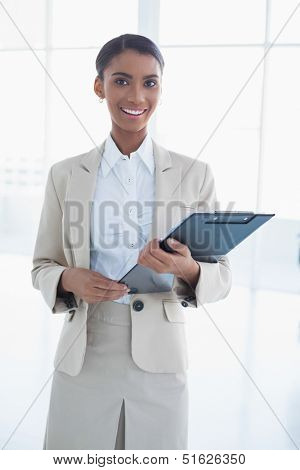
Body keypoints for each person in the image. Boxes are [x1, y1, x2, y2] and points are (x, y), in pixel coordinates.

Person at [31, 33, 232, 450]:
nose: (137, 95)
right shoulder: (65, 175)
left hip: (160, 358)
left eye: (150, 82)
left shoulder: (195, 174)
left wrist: (185, 268)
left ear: (161, 88)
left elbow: (221, 277)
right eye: (121, 81)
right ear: (99, 87)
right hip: (85, 351)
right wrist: (70, 278)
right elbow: (42, 266)